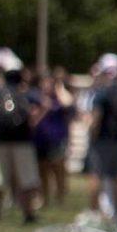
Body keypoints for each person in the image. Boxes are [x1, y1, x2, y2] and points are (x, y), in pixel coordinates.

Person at [0, 65, 44, 224]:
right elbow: (44, 104)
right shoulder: (25, 94)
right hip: (23, 141)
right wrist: (33, 123)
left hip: (0, 141)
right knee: (26, 177)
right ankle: (28, 213)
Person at [84, 54, 117, 217]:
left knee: (96, 176)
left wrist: (92, 135)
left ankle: (93, 213)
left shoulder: (102, 92)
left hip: (102, 141)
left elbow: (96, 118)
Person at [33, 69, 72, 211]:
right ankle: (44, 198)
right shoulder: (38, 99)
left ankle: (60, 198)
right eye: (45, 83)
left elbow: (69, 102)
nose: (47, 86)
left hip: (57, 139)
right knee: (42, 171)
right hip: (40, 140)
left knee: (58, 170)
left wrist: (59, 88)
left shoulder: (59, 99)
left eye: (50, 84)